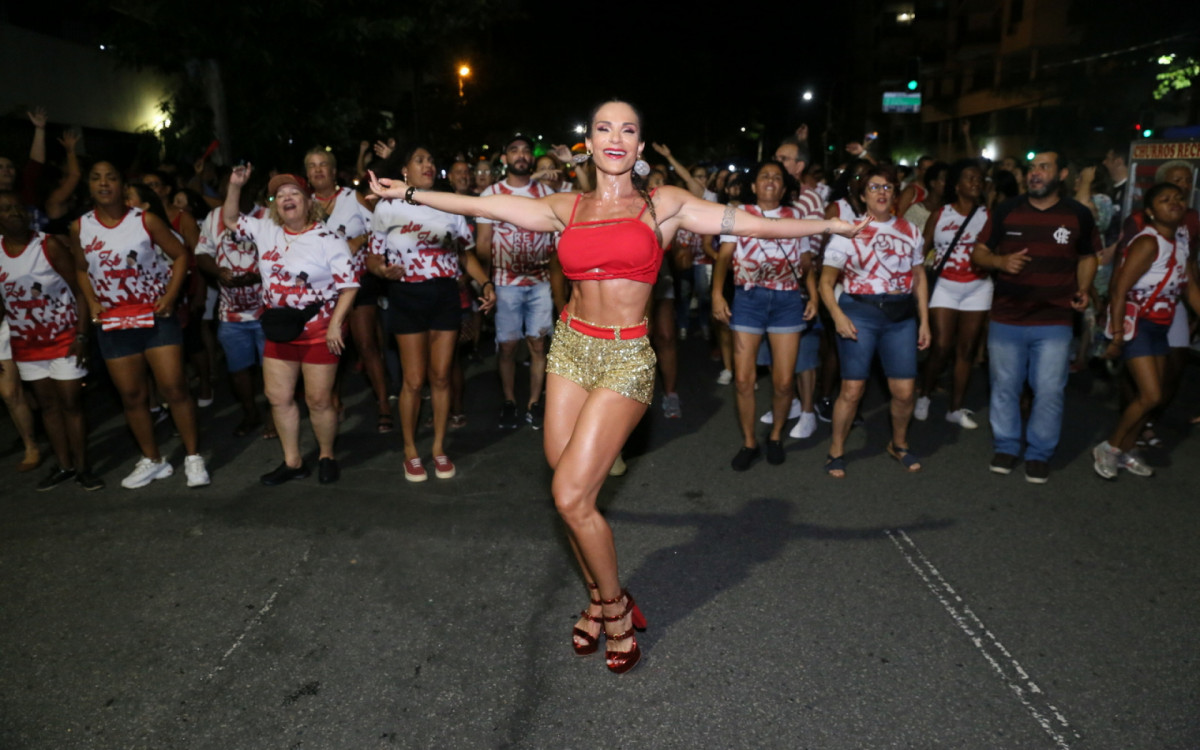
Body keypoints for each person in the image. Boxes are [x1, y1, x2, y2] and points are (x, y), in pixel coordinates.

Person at [369, 99, 864, 673]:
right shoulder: (566, 207)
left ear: (639, 145)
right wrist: (403, 194)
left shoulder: (665, 205)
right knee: (570, 490)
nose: (616, 137)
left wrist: (826, 224)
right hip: (571, 350)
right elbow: (485, 205)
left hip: (626, 355)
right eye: (604, 127)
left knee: (570, 497)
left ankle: (615, 610)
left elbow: (749, 222)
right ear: (590, 140)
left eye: (628, 129)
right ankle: (602, 601)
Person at [70, 161, 210, 489]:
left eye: (112, 177)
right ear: (89, 186)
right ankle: (153, 459)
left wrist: (171, 297)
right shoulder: (80, 227)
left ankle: (193, 457)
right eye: (96, 178)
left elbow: (180, 255)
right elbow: (80, 268)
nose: (104, 183)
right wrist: (91, 301)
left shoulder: (144, 220)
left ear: (122, 184)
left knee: (174, 387)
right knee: (132, 395)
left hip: (154, 317)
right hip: (114, 322)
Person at [223, 168, 359, 485]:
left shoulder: (328, 238)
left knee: (319, 400)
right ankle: (293, 461)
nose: (286, 197)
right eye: (279, 194)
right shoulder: (265, 230)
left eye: (293, 192)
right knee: (278, 397)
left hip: (319, 328)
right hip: (280, 328)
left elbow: (350, 286)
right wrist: (234, 186)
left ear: (308, 200)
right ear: (275, 205)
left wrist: (336, 325)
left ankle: (326, 455)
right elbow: (230, 220)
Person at [971, 150, 1099, 484]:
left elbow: (1087, 257)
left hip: (1055, 319)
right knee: (1004, 387)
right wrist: (1000, 263)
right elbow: (979, 251)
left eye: (1044, 167)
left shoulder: (1077, 215)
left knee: (1050, 389)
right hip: (1007, 318)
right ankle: (1007, 446)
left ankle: (1040, 452)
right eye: (1031, 168)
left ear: (1062, 174)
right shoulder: (1007, 210)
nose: (1035, 173)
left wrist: (1084, 288)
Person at [368, 146, 494, 482]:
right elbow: (372, 257)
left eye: (431, 160)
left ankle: (438, 448)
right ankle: (410, 450)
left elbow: (465, 255)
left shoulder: (447, 204)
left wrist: (484, 284)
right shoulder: (387, 207)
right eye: (419, 160)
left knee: (441, 377)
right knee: (413, 380)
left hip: (445, 294)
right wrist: (382, 272)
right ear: (405, 171)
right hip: (406, 294)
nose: (428, 164)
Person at [820, 165, 931, 478]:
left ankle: (898, 444)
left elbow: (919, 277)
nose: (882, 192)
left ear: (895, 194)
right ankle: (836, 450)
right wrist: (838, 316)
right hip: (859, 312)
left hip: (900, 316)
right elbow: (825, 283)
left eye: (888, 187)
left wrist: (925, 321)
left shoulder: (911, 231)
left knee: (905, 391)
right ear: (863, 195)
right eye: (874, 187)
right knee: (852, 389)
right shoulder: (848, 230)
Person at [711, 160, 818, 469]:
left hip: (787, 301)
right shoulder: (738, 215)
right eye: (764, 176)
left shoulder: (796, 216)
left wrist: (812, 295)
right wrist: (717, 294)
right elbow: (724, 256)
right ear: (754, 186)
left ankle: (774, 437)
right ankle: (748, 442)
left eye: (777, 177)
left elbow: (806, 260)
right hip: (748, 299)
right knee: (744, 380)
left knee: (784, 382)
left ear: (784, 188)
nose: (771, 180)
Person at [1093, 182, 1199, 479]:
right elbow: (1118, 289)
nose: (1174, 202)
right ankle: (1110, 447)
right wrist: (1116, 336)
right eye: (1165, 200)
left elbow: (1190, 289)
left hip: (1160, 326)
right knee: (1151, 395)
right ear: (1150, 212)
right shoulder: (1148, 242)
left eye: (1179, 198)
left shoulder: (1181, 239)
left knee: (1154, 395)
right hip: (1137, 325)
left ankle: (1127, 449)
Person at [0, 192, 102, 490]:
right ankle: (64, 465)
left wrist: (83, 335)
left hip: (65, 338)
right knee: (47, 406)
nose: (16, 213)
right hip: (27, 344)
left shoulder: (48, 245)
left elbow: (80, 290)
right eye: (6, 210)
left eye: (19, 207)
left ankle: (83, 467)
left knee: (70, 402)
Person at [304, 147, 390, 433]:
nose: (318, 170)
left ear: (333, 170)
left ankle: (383, 405)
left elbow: (380, 226)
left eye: (323, 165)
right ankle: (334, 403)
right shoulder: (303, 205)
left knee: (366, 344)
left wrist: (359, 239)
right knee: (331, 350)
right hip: (323, 288)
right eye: (312, 166)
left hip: (358, 281)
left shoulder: (351, 198)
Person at [477, 135, 557, 430]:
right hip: (504, 283)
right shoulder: (491, 194)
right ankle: (509, 400)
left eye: (526, 151)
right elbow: (483, 243)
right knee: (508, 346)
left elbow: (556, 238)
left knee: (538, 344)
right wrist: (484, 284)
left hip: (540, 282)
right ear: (504, 159)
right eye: (514, 150)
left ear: (531, 159)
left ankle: (534, 403)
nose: (521, 155)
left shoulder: (546, 193)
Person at [194, 171, 274, 438]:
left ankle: (275, 416)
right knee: (238, 370)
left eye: (239, 187)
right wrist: (217, 273)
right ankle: (250, 414)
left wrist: (259, 275)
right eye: (228, 188)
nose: (234, 193)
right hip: (231, 312)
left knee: (271, 370)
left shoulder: (268, 217)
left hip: (267, 311)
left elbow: (286, 257)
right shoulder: (214, 218)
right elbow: (202, 253)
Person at [916, 159, 991, 428]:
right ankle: (924, 393)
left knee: (967, 350)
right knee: (942, 345)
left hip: (978, 287)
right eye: (970, 178)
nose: (976, 183)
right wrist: (914, 281)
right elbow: (922, 249)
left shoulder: (987, 215)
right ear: (957, 186)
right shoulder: (941, 214)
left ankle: (955, 408)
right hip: (945, 285)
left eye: (979, 179)